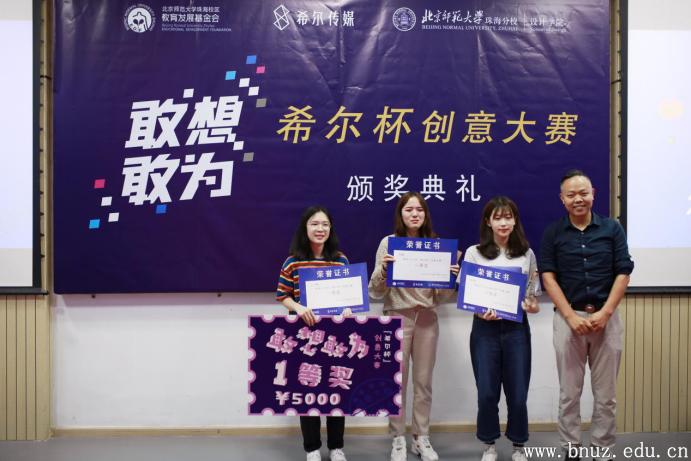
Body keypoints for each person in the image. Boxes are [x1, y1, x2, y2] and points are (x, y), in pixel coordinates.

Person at [539, 170, 634, 461]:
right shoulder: (553, 232)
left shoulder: (612, 229)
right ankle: (571, 448)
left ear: (593, 194)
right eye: (571, 194)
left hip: (606, 319)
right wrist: (570, 316)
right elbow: (548, 277)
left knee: (606, 395)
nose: (578, 199)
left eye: (583, 193)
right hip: (569, 320)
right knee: (569, 394)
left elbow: (623, 271)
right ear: (562, 199)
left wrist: (606, 313)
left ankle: (602, 449)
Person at [369, 191, 459, 461]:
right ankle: (398, 438)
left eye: (419, 209)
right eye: (409, 209)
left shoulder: (437, 246)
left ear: (425, 214)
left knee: (423, 382)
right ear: (401, 214)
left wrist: (450, 280)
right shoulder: (389, 243)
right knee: (395, 382)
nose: (415, 214)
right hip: (396, 316)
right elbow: (375, 291)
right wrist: (384, 271)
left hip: (427, 318)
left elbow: (442, 298)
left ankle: (421, 437)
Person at [462, 196, 540, 461]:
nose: (503, 223)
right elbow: (466, 293)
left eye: (508, 217)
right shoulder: (474, 252)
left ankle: (519, 444)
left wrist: (531, 306)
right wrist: (479, 310)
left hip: (516, 329)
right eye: (497, 218)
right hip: (484, 329)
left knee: (518, 393)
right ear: (488, 222)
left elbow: (532, 294)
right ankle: (489, 444)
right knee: (486, 391)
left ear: (515, 220)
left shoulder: (526, 254)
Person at [276, 205, 349, 461]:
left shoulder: (340, 260)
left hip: (334, 337)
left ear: (331, 229)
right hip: (304, 336)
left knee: (336, 388)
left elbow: (348, 296)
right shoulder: (293, 261)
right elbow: (282, 295)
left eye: (325, 224)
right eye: (315, 224)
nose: (320, 229)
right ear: (305, 228)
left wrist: (348, 308)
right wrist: (298, 308)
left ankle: (337, 447)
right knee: (308, 390)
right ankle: (312, 448)